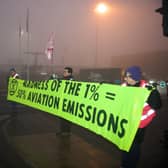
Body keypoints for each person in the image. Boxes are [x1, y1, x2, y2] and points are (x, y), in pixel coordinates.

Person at [120, 66, 162, 168]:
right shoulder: (124, 86)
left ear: (135, 77)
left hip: (139, 125)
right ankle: (124, 165)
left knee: (134, 147)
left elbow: (157, 105)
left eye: (128, 76)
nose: (125, 79)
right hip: (125, 123)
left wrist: (153, 93)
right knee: (124, 145)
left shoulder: (146, 88)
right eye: (125, 77)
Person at [56, 67, 74, 136]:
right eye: (63, 71)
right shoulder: (63, 79)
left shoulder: (71, 80)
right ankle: (62, 131)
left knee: (66, 118)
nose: (64, 73)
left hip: (68, 102)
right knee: (62, 117)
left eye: (65, 72)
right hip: (63, 101)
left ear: (70, 73)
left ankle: (67, 132)